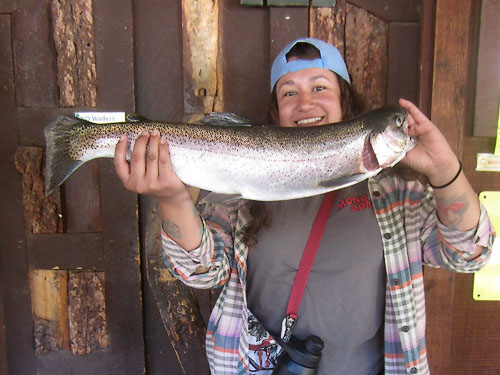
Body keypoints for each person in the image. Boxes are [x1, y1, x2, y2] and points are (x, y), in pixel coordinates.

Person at [114, 38, 495, 375]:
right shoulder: (240, 190)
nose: (305, 103)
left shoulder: (398, 193)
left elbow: (469, 254)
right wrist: (172, 198)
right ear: (275, 109)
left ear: (345, 99)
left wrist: (445, 171)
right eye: (289, 93)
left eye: (320, 86)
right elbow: (201, 273)